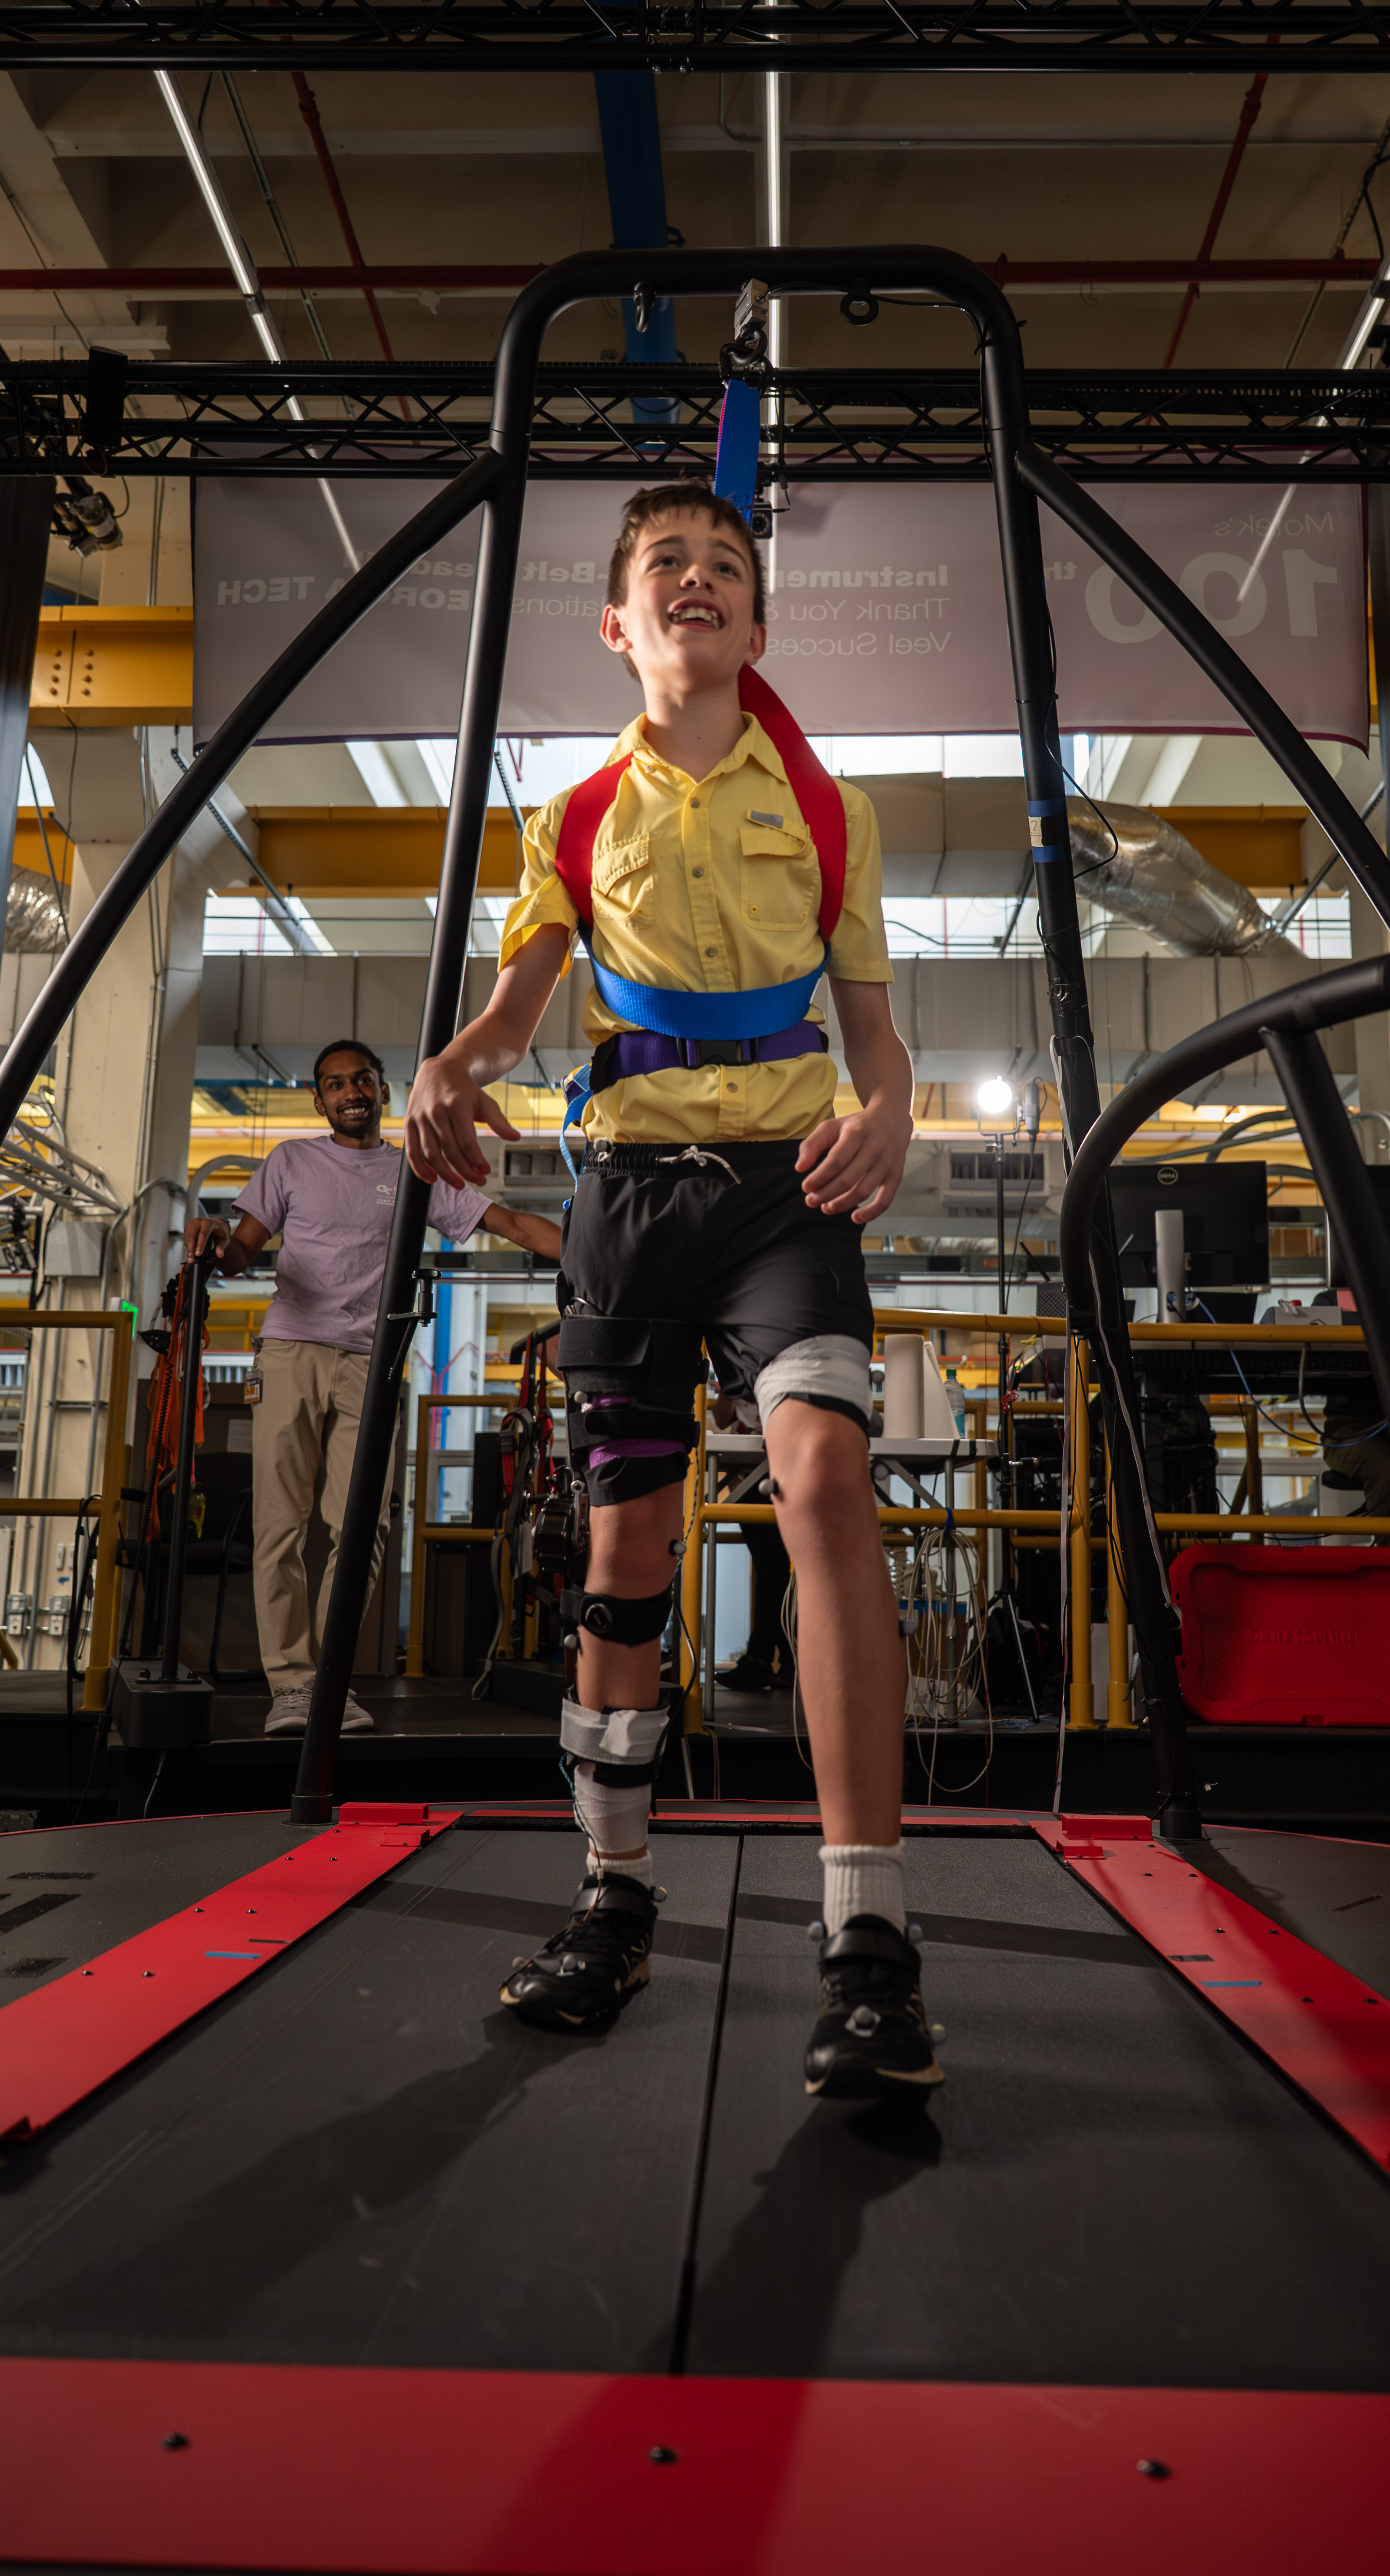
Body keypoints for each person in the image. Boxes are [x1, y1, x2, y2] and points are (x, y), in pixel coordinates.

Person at [404, 484, 939, 2102]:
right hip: (630, 1197)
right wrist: (453, 1061)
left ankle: (867, 1940)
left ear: (756, 627)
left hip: (788, 1188)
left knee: (825, 1478)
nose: (697, 584)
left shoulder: (828, 810)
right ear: (620, 627)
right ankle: (613, 1892)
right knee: (626, 1547)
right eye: (665, 569)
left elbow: (874, 1030)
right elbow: (513, 1013)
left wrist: (895, 1105)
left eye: (725, 569)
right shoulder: (570, 820)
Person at [186, 1038, 560, 1736]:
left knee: (366, 1527)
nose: (350, 1092)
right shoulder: (291, 1162)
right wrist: (212, 1236)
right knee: (280, 1527)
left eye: (362, 1079)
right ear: (318, 1099)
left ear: (383, 1091)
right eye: (335, 1084)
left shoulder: (417, 1172)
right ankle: (292, 1686)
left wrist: (600, 1255)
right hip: (293, 1351)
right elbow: (243, 1250)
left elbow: (505, 1222)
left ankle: (329, 1679)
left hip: (373, 1362)